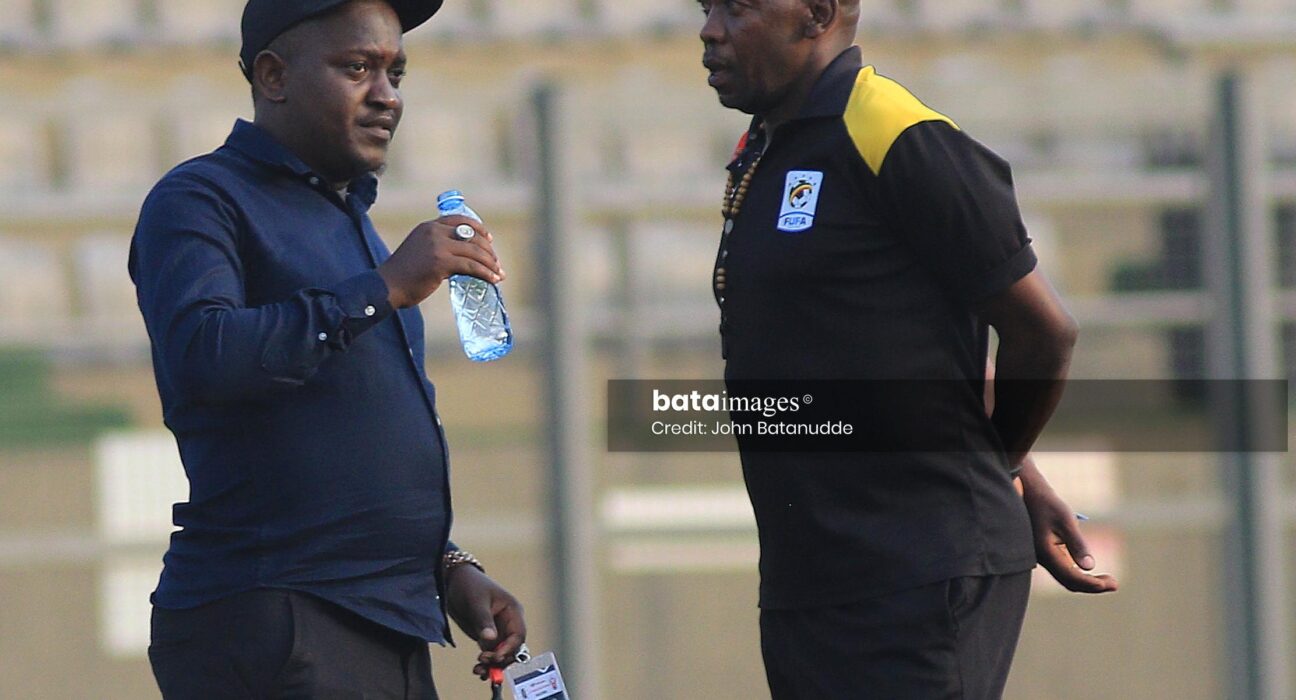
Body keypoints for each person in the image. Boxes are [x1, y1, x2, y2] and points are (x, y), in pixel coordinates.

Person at [698, 0, 1116, 697]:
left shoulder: (898, 135)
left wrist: (997, 467)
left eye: (738, 8)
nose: (710, 29)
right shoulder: (771, 144)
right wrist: (1020, 473)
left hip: (916, 574)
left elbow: (1043, 331)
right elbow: (910, 333)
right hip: (812, 579)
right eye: (706, 7)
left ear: (817, 13)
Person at [129, 1, 525, 696]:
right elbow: (205, 355)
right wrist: (384, 287)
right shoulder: (199, 198)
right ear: (274, 76)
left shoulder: (350, 220)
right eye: (358, 67)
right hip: (276, 615)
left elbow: (342, 445)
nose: (387, 95)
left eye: (396, 73)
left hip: (381, 618)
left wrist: (446, 567)